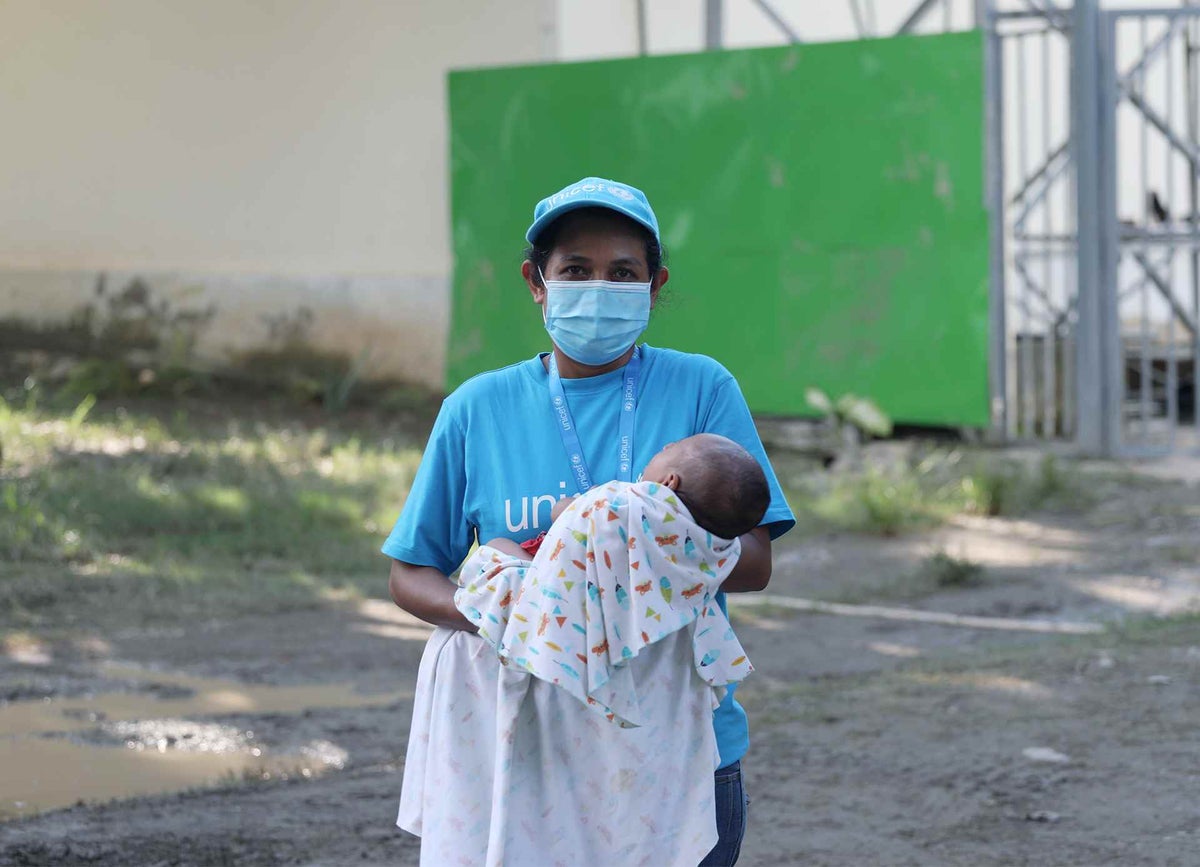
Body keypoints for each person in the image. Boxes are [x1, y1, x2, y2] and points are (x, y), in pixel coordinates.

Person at [384, 176, 796, 866]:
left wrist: (642, 559)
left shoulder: (701, 389)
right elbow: (410, 573)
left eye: (623, 272)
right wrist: (511, 606)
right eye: (576, 269)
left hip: (682, 748)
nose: (599, 287)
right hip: (529, 749)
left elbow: (755, 558)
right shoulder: (477, 409)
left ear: (654, 285)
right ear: (536, 281)